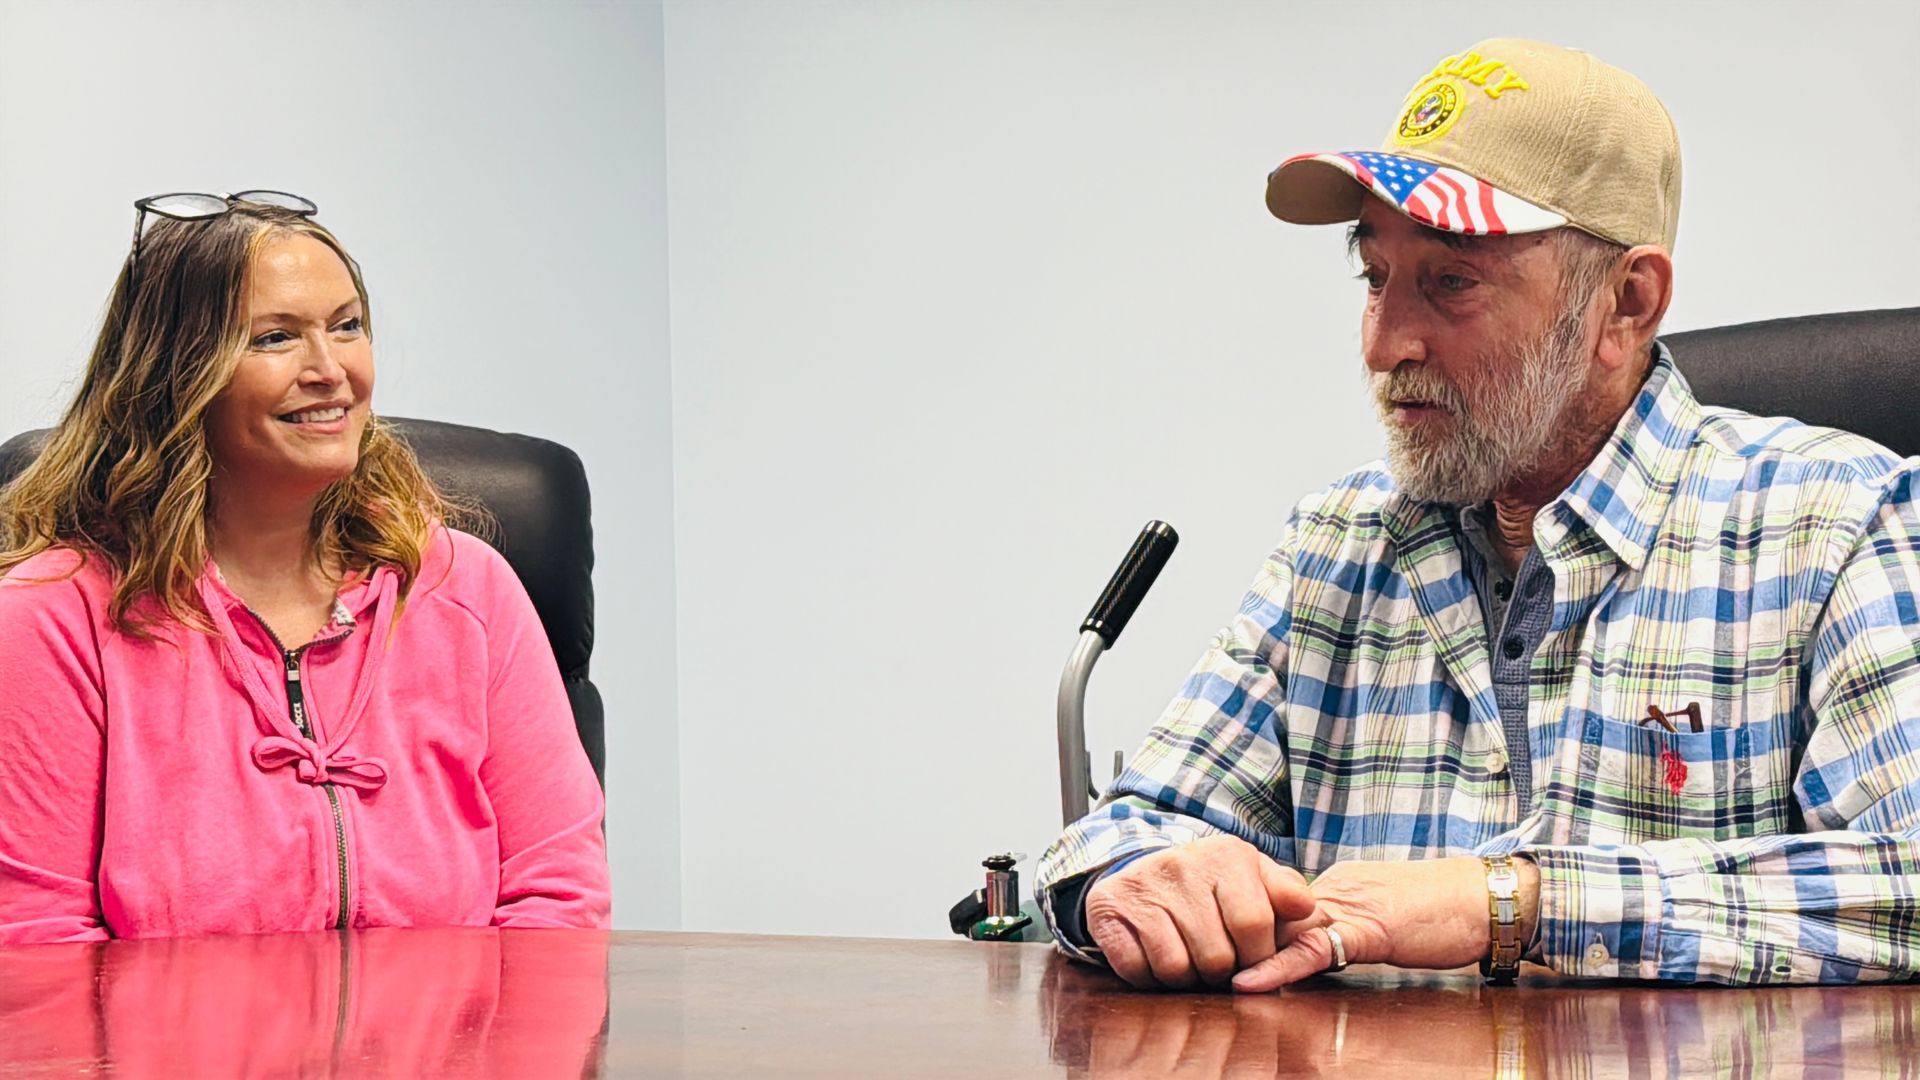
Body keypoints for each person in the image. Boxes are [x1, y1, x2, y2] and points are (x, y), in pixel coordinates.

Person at [1037, 38, 1920, 990]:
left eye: (1450, 282)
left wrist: (1512, 903)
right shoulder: (1338, 544)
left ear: (1625, 304)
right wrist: (1135, 880)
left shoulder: (1832, 523)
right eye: (1375, 277)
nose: (1384, 345)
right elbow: (1127, 832)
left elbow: (1910, 880)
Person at [0, 193, 611, 942]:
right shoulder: (53, 616)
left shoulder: (467, 588)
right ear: (176, 374)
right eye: (275, 338)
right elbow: (36, 941)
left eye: (347, 326)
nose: (331, 370)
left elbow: (559, 901)